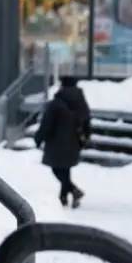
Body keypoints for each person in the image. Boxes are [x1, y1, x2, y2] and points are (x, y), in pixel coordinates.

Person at [34, 76, 93, 208]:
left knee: (57, 169)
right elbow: (87, 119)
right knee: (65, 168)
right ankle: (63, 197)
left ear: (63, 86)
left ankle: (73, 190)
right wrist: (86, 136)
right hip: (74, 141)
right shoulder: (81, 101)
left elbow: (47, 123)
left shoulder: (56, 103)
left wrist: (39, 138)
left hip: (57, 141)